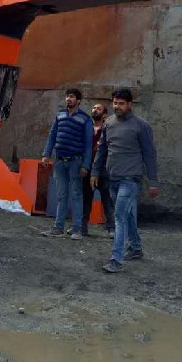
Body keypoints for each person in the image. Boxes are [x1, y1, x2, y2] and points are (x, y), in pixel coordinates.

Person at [93, 88, 159, 273]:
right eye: (115, 103)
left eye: (121, 103)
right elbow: (102, 150)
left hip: (130, 180)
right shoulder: (109, 123)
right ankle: (136, 248)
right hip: (112, 178)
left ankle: (116, 259)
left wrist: (153, 181)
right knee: (128, 215)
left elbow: (149, 154)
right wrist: (94, 172)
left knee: (119, 216)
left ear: (130, 105)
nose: (117, 106)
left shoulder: (141, 126)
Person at [40, 88, 93, 240]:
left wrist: (86, 165)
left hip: (75, 162)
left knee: (76, 194)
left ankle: (77, 229)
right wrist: (46, 154)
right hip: (59, 161)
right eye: (67, 97)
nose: (68, 99)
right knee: (62, 195)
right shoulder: (60, 115)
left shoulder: (85, 119)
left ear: (78, 100)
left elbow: (88, 144)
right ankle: (58, 228)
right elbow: (52, 135)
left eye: (72, 97)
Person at [81, 102, 115, 238]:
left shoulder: (108, 129)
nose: (95, 110)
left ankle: (111, 228)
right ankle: (82, 227)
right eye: (94, 108)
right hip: (88, 168)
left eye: (98, 108)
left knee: (107, 200)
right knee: (85, 199)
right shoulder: (87, 129)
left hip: (104, 169)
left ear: (104, 114)